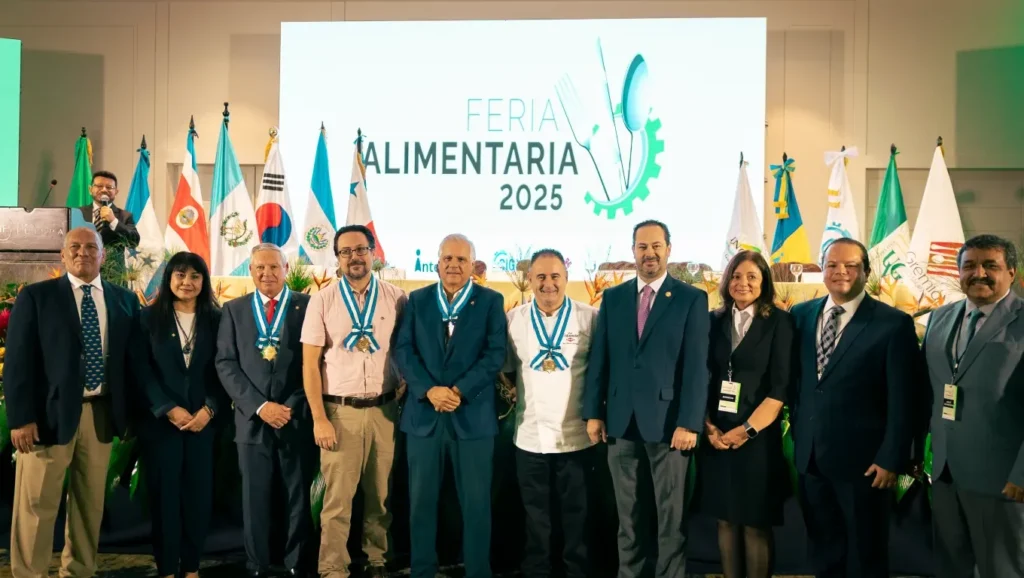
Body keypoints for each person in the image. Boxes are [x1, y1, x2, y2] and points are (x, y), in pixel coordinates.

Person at [3, 227, 141, 578]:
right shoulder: (37, 297)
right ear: (63, 255)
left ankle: (79, 571)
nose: (83, 253)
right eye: (74, 247)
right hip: (47, 419)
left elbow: (131, 361)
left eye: (90, 247)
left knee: (89, 504)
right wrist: (21, 419)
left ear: (103, 255)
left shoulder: (124, 300)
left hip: (101, 415)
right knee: (37, 505)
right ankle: (30, 573)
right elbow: (19, 362)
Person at [583, 219, 710, 578]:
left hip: (670, 426)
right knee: (628, 518)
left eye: (656, 246)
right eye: (642, 246)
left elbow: (696, 368)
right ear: (633, 251)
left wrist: (688, 422)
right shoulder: (613, 298)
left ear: (669, 249)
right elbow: (600, 360)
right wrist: (594, 413)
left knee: (671, 519)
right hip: (621, 423)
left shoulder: (691, 298)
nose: (649, 253)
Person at [789, 237, 919, 578]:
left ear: (866, 271)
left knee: (866, 556)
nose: (840, 272)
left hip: (866, 466)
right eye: (831, 265)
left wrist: (891, 458)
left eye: (850, 265)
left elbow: (904, 398)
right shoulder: (801, 314)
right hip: (812, 459)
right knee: (824, 551)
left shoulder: (893, 323)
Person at [394, 233, 507, 578]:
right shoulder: (418, 300)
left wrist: (458, 390)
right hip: (424, 417)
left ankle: (477, 570)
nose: (454, 265)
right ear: (437, 262)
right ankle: (423, 570)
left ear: (472, 265)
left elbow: (495, 354)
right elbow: (403, 350)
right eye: (447, 259)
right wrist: (429, 391)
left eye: (461, 260)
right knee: (421, 503)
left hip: (471, 416)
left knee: (475, 504)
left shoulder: (490, 301)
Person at [301, 225, 407, 578]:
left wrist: (403, 384)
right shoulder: (324, 300)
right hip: (339, 412)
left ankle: (376, 557)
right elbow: (310, 364)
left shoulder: (397, 298)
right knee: (337, 500)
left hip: (385, 411)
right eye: (345, 252)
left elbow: (407, 351)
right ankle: (332, 566)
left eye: (360, 249)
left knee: (380, 496)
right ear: (337, 258)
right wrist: (319, 418)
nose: (354, 257)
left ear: (374, 253)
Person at [922, 234, 1024, 577]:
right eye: (969, 266)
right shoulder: (939, 318)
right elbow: (928, 391)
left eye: (990, 265)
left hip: (1002, 478)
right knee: (951, 567)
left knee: (1002, 569)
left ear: (1012, 272)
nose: (979, 273)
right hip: (946, 472)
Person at [216, 244, 315, 577]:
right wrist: (259, 406)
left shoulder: (308, 306)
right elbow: (226, 363)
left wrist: (290, 406)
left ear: (286, 268)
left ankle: (295, 562)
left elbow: (316, 363)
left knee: (297, 496)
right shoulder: (234, 310)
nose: (266, 274)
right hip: (251, 419)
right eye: (259, 268)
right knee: (253, 497)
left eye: (274, 267)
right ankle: (256, 563)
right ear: (251, 271)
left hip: (295, 416)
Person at [697, 250, 793, 578]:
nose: (743, 283)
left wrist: (747, 430)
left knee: (754, 523)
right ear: (727, 281)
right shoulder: (712, 320)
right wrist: (708, 427)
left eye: (752, 276)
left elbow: (780, 388)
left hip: (757, 439)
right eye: (736, 276)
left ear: (763, 282)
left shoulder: (779, 322)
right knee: (725, 520)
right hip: (717, 437)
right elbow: (701, 377)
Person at [503, 249, 597, 578]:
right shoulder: (514, 320)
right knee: (535, 517)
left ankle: (576, 572)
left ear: (566, 279)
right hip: (529, 437)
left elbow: (600, 371)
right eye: (540, 277)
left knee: (576, 516)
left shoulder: (589, 317)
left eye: (555, 276)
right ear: (529, 281)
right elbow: (506, 369)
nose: (548, 284)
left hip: (577, 438)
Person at [134, 251, 224, 578]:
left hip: (203, 423)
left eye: (195, 276)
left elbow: (225, 369)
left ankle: (191, 567)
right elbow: (140, 371)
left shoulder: (218, 318)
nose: (187, 282)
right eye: (180, 275)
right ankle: (167, 568)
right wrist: (167, 408)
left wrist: (210, 409)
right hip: (162, 425)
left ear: (204, 281)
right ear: (169, 278)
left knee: (198, 498)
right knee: (164, 499)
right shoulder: (147, 318)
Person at [81, 170, 140, 250]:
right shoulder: (78, 213)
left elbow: (134, 242)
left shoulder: (125, 216)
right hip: (82, 260)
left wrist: (113, 221)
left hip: (112, 262)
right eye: (99, 186)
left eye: (109, 187)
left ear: (116, 192)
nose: (104, 190)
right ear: (90, 189)